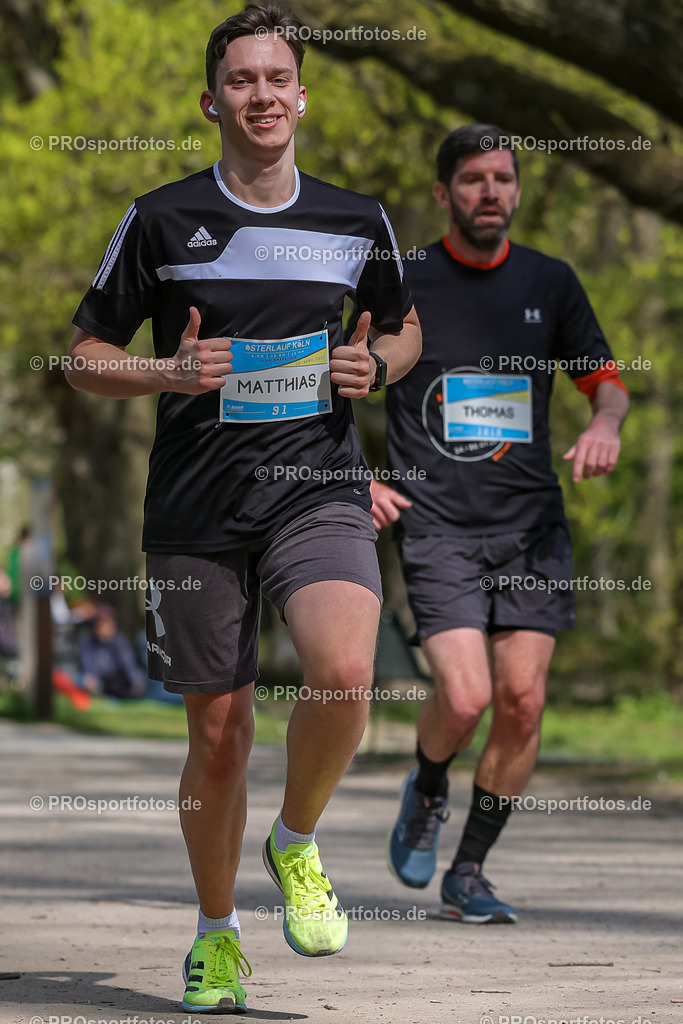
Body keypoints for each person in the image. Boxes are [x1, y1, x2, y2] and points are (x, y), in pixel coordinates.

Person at [67, 3, 420, 1013]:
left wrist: (376, 364)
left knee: (345, 671)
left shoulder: (357, 219)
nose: (260, 96)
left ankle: (297, 839)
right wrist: (163, 372)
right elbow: (83, 358)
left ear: (300, 95)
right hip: (195, 507)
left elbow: (401, 329)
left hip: (316, 485)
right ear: (211, 98)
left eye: (276, 79)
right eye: (241, 81)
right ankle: (217, 932)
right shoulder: (161, 218)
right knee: (218, 736)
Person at [375, 124, 628, 924]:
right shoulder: (402, 278)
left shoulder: (550, 282)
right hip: (437, 524)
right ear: (444, 191)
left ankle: (469, 871)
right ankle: (426, 780)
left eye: (504, 179)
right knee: (466, 696)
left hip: (530, 529)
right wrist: (356, 478)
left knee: (521, 701)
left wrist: (606, 425)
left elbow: (607, 384)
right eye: (475, 179)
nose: (491, 192)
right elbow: (337, 372)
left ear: (516, 192)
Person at [77, 604, 145, 699]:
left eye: (106, 623)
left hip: (117, 683)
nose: (103, 627)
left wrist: (136, 682)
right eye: (100, 623)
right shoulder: (87, 641)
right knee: (80, 680)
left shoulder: (120, 641)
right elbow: (87, 666)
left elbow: (128, 666)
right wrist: (92, 680)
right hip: (96, 681)